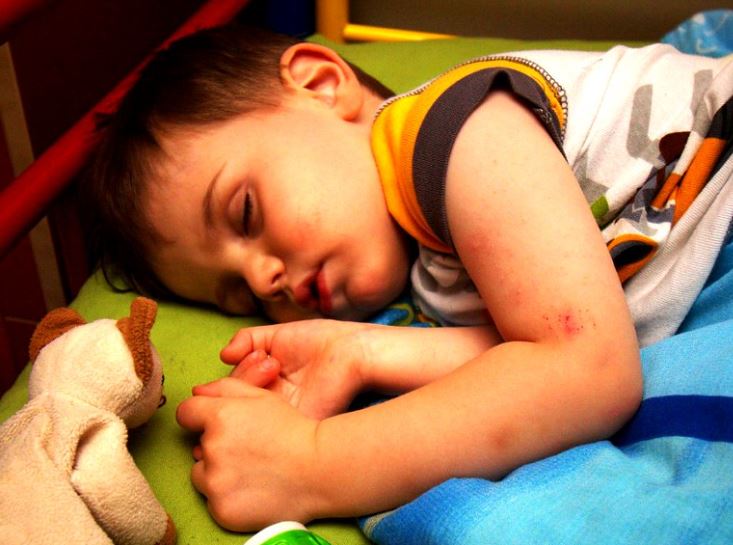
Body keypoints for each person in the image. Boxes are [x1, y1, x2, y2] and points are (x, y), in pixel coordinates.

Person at [81, 24, 733, 532]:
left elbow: (588, 368)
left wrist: (312, 462)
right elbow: (532, 345)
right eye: (238, 294)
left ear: (320, 85)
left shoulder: (453, 131)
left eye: (245, 212)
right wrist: (360, 351)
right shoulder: (420, 264)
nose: (264, 278)